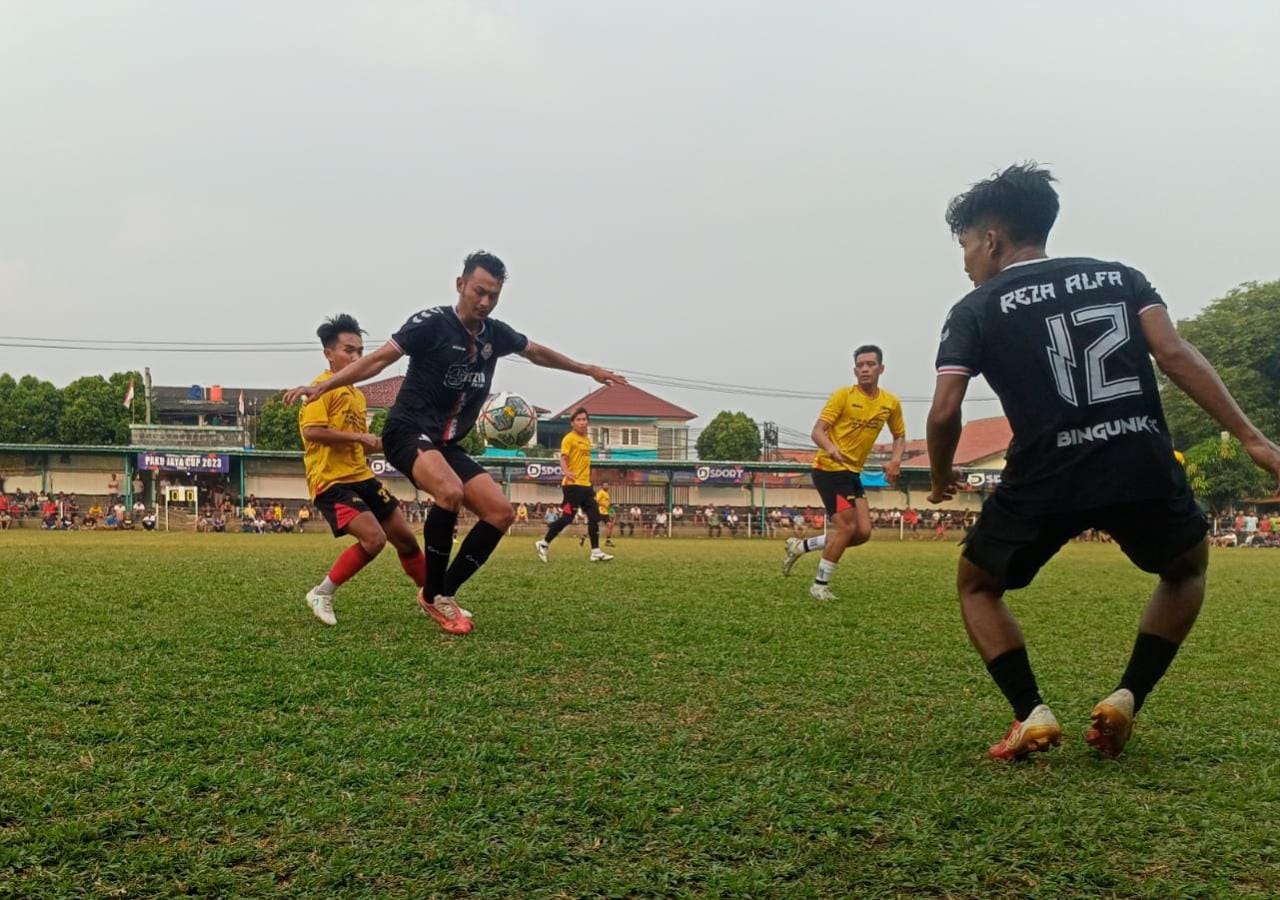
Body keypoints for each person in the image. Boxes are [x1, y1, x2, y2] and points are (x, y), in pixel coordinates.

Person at [925, 163, 1280, 761]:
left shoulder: (975, 307)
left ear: (990, 240)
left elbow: (942, 413)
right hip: (1137, 457)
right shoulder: (1121, 277)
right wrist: (1252, 438)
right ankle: (1127, 697)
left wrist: (938, 480)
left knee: (978, 585)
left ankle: (1030, 713)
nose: (965, 261)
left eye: (964, 245)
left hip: (1045, 473)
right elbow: (1173, 353)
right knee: (1186, 569)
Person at [285, 251, 624, 634]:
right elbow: (378, 361)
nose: (484, 302)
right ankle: (431, 595)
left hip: (446, 443)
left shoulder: (495, 334)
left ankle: (442, 592)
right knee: (448, 492)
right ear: (461, 285)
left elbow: (535, 351)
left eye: (493, 295)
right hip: (406, 431)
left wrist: (586, 370)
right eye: (479, 291)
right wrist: (321, 386)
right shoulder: (430, 325)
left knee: (500, 512)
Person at [293, 314, 432, 628]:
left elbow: (361, 441)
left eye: (360, 352)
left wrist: (391, 442)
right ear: (329, 353)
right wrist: (359, 437)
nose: (356, 357)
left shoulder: (356, 395)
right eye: (348, 351)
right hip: (331, 481)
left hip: (362, 476)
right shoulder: (318, 389)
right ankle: (321, 592)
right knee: (374, 540)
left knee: (407, 541)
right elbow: (313, 432)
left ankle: (432, 597)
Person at [781, 345, 907, 599]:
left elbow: (899, 435)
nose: (865, 369)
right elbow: (818, 431)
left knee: (863, 533)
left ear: (881, 368)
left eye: (870, 364)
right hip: (829, 469)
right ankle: (819, 586)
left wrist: (895, 460)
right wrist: (831, 448)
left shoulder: (890, 403)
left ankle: (801, 546)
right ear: (854, 370)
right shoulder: (843, 396)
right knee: (847, 528)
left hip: (852, 473)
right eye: (860, 365)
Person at [537, 408, 614, 563]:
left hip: (586, 486)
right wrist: (567, 472)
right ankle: (543, 544)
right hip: (572, 486)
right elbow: (563, 458)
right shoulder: (569, 439)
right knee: (567, 518)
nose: (582, 422)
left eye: (584, 419)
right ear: (572, 423)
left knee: (594, 516)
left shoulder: (587, 440)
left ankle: (595, 551)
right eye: (578, 419)